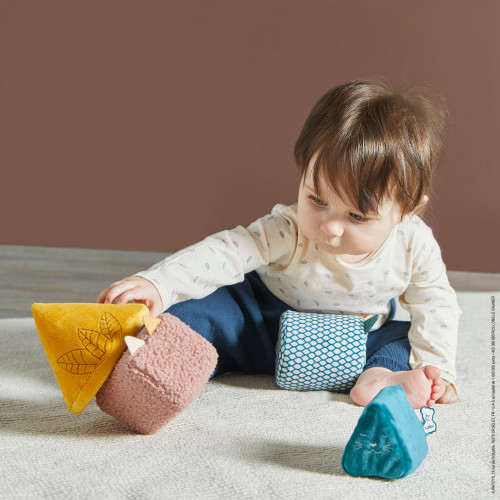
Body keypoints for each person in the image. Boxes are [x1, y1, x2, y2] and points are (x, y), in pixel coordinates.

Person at [97, 79, 461, 409]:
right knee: (202, 309)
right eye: (317, 200)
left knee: (405, 338)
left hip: (353, 344)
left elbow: (437, 305)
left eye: (357, 217)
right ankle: (162, 371)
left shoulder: (414, 245)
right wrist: (160, 284)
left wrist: (438, 368)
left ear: (407, 209)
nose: (329, 227)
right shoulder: (288, 229)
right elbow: (228, 250)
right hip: (260, 329)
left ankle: (381, 377)